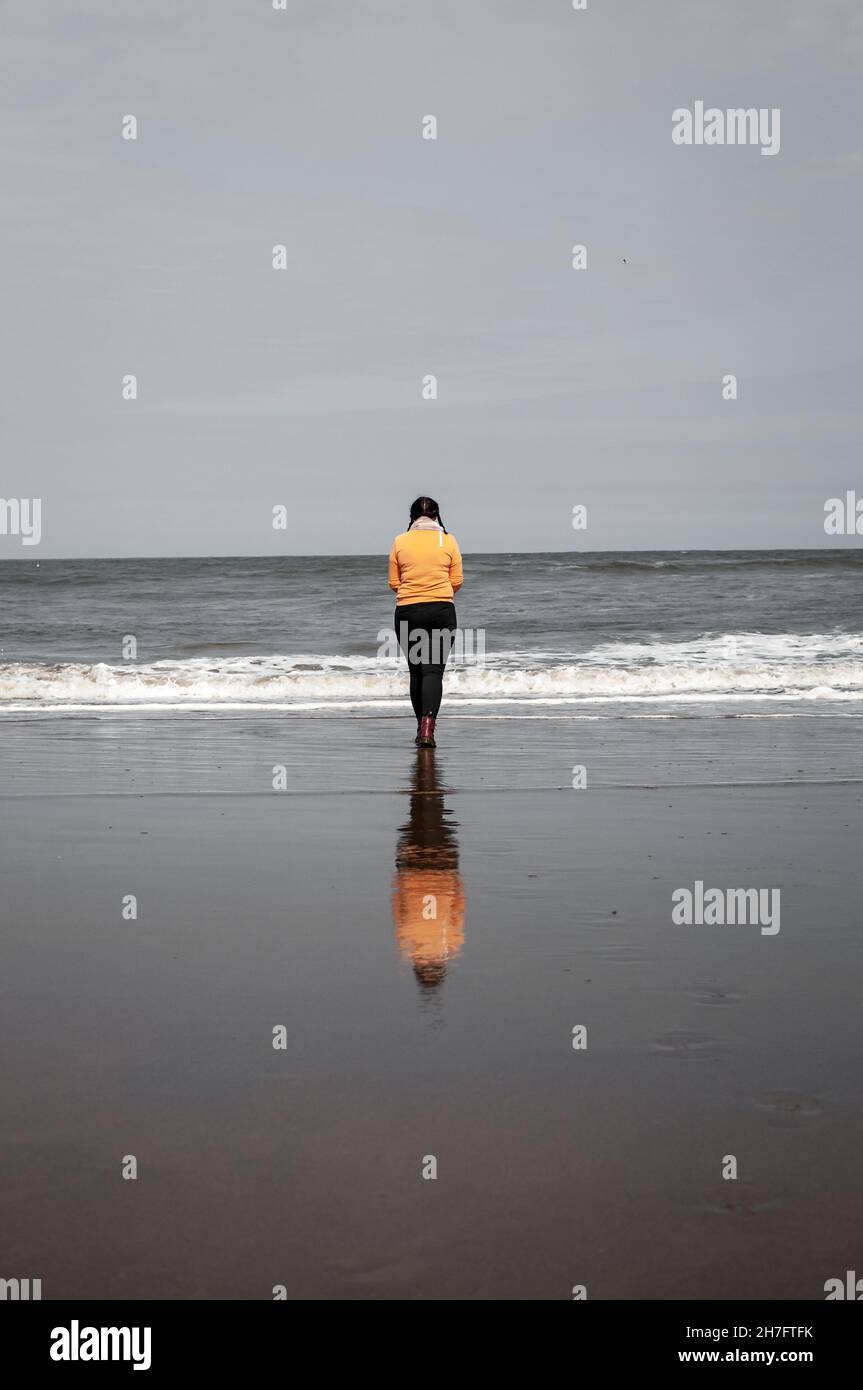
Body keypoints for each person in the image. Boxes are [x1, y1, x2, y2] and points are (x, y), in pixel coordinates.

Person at [388, 496, 463, 746]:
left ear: (412, 517)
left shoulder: (400, 540)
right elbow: (457, 582)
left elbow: (394, 583)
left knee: (416, 671)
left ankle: (421, 728)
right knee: (433, 671)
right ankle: (428, 730)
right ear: (436, 515)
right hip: (441, 610)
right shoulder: (448, 540)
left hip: (408, 610)